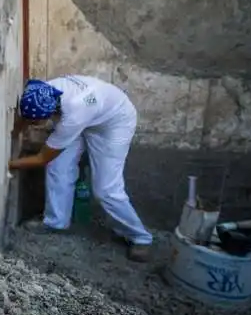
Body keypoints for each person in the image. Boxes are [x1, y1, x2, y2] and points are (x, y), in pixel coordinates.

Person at [8, 75, 152, 262]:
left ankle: (140, 237)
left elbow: (42, 157)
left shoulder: (73, 116)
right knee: (58, 165)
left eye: (37, 123)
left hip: (114, 122)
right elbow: (26, 115)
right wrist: (14, 133)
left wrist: (10, 164)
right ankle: (56, 222)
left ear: (50, 113)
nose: (34, 126)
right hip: (92, 112)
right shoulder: (41, 92)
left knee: (106, 189)